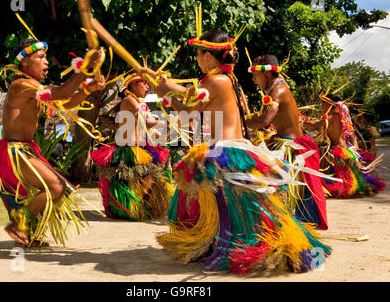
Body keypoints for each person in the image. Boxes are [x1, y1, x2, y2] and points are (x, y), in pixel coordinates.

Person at [140, 30, 331, 275]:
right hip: (231, 149)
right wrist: (165, 86)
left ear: (209, 56)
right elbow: (189, 96)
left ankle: (274, 248)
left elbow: (188, 112)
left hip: (225, 152)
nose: (197, 59)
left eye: (199, 54)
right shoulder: (225, 78)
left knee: (247, 210)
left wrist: (165, 90)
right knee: (237, 209)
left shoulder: (214, 81)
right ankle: (224, 244)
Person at [0, 38, 106, 247]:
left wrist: (89, 89)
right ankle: (19, 225)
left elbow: (66, 100)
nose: (47, 62)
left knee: (55, 190)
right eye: (40, 57)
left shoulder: (34, 88)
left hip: (25, 150)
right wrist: (86, 69)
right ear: (25, 62)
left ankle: (27, 236)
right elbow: (61, 92)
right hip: (14, 151)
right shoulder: (21, 85)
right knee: (56, 187)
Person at [246, 54, 328, 230]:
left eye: (255, 73)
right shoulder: (275, 88)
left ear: (267, 74)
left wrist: (240, 122)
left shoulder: (278, 90)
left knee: (279, 188)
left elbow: (265, 120)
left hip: (290, 146)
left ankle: (287, 226)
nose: (253, 78)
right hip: (284, 142)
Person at [90, 73, 174, 221]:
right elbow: (147, 121)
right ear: (133, 85)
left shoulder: (138, 102)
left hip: (140, 147)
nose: (148, 87)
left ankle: (137, 206)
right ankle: (132, 206)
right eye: (144, 83)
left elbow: (148, 124)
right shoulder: (130, 100)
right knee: (148, 176)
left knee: (152, 176)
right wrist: (169, 123)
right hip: (130, 149)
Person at [304, 94, 385, 197]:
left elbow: (314, 125)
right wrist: (355, 147)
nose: (321, 106)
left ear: (329, 105)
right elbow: (351, 134)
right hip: (346, 148)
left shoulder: (331, 117)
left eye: (323, 103)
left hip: (336, 149)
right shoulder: (341, 116)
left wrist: (301, 121)